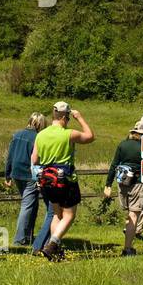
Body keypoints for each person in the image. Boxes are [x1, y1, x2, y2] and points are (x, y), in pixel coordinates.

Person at [31, 101, 95, 261]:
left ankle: (55, 252)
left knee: (57, 214)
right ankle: (52, 244)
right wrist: (79, 117)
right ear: (66, 117)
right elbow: (90, 137)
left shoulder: (41, 135)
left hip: (47, 180)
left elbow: (35, 159)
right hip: (65, 179)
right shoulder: (69, 134)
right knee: (69, 215)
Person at [104, 114, 143, 256]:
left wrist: (108, 184)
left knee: (129, 214)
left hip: (122, 182)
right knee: (134, 215)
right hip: (138, 182)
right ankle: (127, 248)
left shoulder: (123, 144)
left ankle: (129, 241)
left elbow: (114, 164)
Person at [8, 112, 52, 247]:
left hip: (16, 174)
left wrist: (7, 174)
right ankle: (19, 239)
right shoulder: (38, 137)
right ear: (41, 124)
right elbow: (39, 158)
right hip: (29, 175)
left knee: (31, 204)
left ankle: (28, 236)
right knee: (27, 206)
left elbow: (10, 155)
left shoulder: (17, 135)